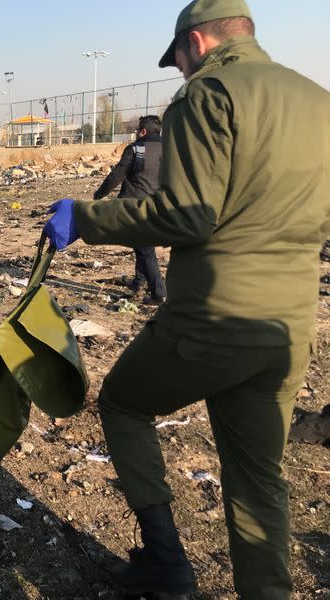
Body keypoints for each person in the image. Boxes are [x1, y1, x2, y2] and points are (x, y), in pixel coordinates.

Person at [43, 1, 330, 598]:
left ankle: (166, 563)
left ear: (195, 44)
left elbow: (187, 214)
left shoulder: (209, 94)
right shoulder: (316, 99)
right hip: (290, 323)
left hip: (217, 316)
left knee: (122, 404)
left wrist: (86, 218)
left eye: (177, 61)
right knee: (258, 479)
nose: (179, 73)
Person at [93, 115, 167, 304]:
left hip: (135, 207)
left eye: (137, 131)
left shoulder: (135, 149)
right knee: (142, 245)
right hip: (160, 205)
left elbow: (117, 175)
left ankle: (158, 293)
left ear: (142, 131)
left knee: (145, 249)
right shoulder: (169, 150)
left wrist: (99, 195)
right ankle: (138, 282)